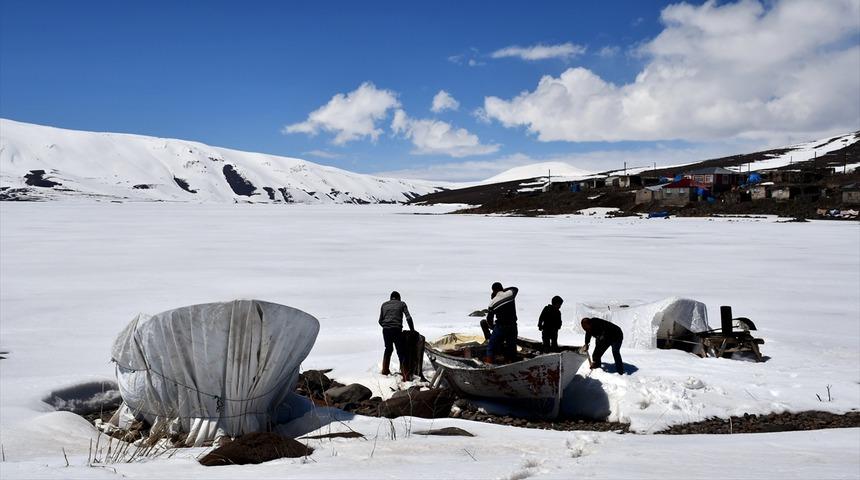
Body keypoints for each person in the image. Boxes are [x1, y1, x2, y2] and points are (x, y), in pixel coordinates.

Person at [378, 291, 415, 380]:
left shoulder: (384, 305)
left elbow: (380, 320)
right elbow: (408, 318)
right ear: (399, 298)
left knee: (388, 349)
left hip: (386, 330)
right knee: (401, 352)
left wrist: (386, 326)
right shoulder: (402, 304)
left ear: (391, 298)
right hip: (397, 330)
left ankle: (385, 370)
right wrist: (412, 330)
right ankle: (405, 376)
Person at [484, 282, 519, 363]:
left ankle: (489, 363)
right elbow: (515, 288)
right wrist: (504, 290)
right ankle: (512, 362)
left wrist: (492, 327)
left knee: (491, 346)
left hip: (501, 326)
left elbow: (489, 318)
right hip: (513, 325)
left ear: (493, 290)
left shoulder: (492, 302)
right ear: (502, 288)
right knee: (512, 345)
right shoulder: (510, 294)